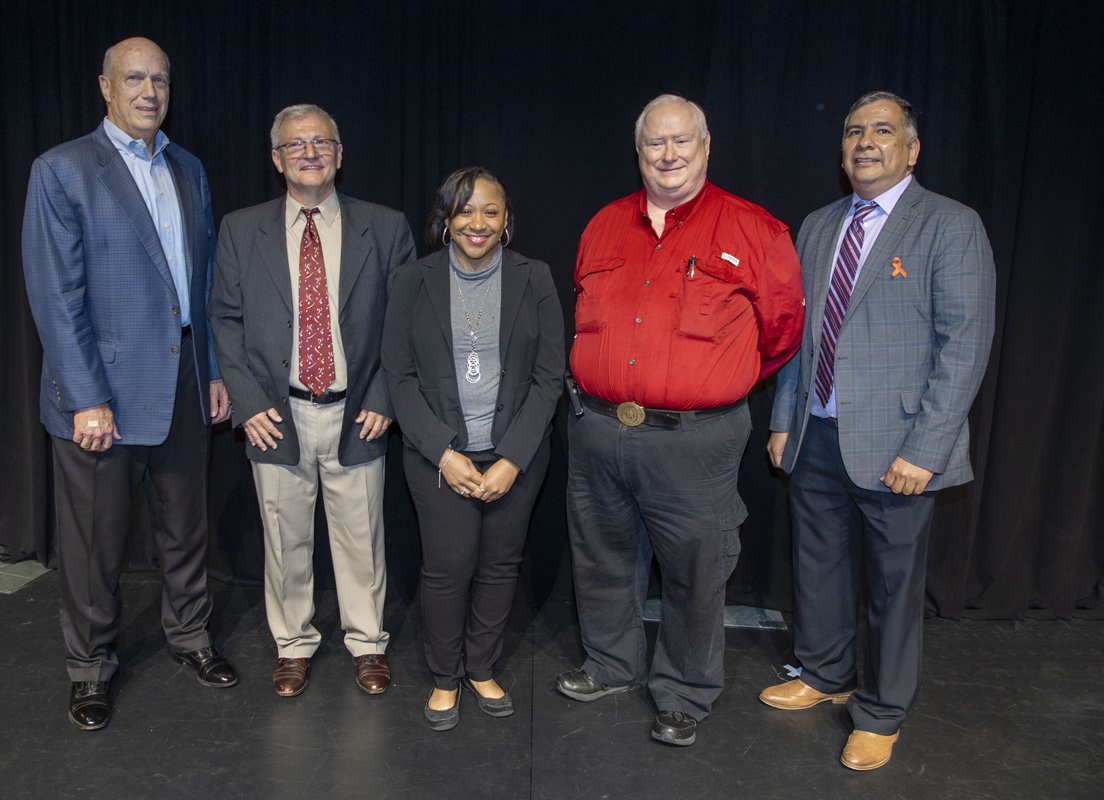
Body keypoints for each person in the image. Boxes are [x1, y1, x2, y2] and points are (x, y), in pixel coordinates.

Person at [557, 94, 805, 747]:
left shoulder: (755, 231)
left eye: (681, 141)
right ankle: (612, 664)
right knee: (603, 556)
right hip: (598, 429)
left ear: (706, 146)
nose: (668, 155)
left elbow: (782, 333)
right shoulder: (603, 225)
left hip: (695, 439)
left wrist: (709, 382)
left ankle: (685, 691)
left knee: (696, 568)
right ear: (638, 151)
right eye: (654, 143)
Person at [759, 91, 995, 770]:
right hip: (816, 432)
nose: (865, 141)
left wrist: (927, 449)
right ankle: (825, 672)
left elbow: (964, 346)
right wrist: (784, 419)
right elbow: (799, 335)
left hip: (899, 446)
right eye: (854, 131)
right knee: (819, 567)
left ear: (911, 150)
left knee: (893, 587)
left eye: (883, 131)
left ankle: (882, 712)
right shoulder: (817, 226)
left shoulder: (949, 225)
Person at [22, 37, 236, 732]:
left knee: (186, 527)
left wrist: (212, 370)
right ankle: (89, 667)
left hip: (184, 377)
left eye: (160, 80)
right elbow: (57, 296)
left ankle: (191, 636)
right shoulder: (62, 170)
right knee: (94, 544)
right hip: (102, 393)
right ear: (105, 87)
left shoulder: (188, 168)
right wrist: (87, 397)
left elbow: (204, 282)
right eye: (135, 78)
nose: (150, 91)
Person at [209, 104, 415, 699]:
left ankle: (368, 642)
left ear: (339, 154)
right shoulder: (240, 229)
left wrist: (385, 395)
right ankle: (293, 645)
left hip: (359, 412)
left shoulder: (385, 227)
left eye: (321, 142)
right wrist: (248, 403)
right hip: (276, 414)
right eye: (295, 145)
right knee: (285, 539)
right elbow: (224, 319)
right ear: (277, 160)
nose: (309, 153)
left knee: (362, 538)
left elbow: (406, 321)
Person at [382, 167, 564, 731]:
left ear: (506, 219)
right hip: (439, 455)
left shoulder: (536, 277)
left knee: (499, 565)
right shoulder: (413, 280)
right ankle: (444, 677)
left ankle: (481, 668)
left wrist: (513, 458)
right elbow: (399, 376)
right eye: (465, 210)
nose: (477, 223)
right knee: (447, 568)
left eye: (490, 211)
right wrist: (443, 452)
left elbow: (549, 376)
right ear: (446, 218)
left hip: (516, 454)